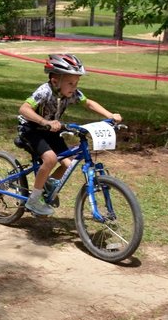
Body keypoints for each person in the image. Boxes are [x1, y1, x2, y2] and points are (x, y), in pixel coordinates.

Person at [18, 54, 123, 216]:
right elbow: (24, 109)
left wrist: (110, 116)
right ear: (55, 82)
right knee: (51, 159)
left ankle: (46, 185)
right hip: (31, 129)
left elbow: (88, 103)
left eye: (77, 83)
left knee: (69, 164)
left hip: (51, 131)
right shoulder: (44, 91)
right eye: (71, 83)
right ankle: (33, 200)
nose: (74, 87)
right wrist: (44, 122)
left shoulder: (71, 93)